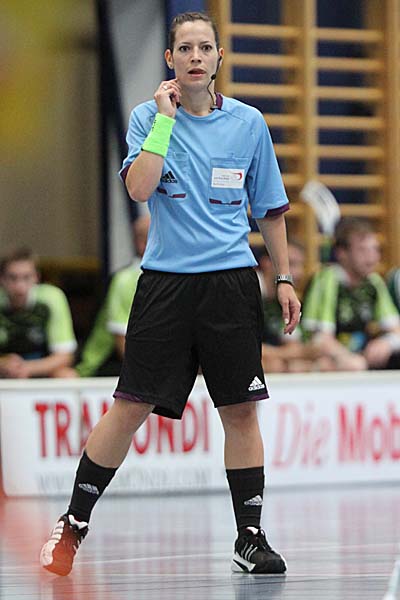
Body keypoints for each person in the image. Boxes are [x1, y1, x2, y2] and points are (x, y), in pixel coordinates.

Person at [40, 11, 301, 577]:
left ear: (219, 56)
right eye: (185, 48)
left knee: (240, 411)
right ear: (170, 59)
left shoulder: (249, 123)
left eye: (205, 47)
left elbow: (270, 210)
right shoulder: (146, 117)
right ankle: (73, 523)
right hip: (165, 284)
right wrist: (164, 121)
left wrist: (283, 277)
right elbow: (140, 188)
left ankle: (250, 536)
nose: (196, 57)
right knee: (130, 406)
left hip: (231, 284)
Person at [302, 217, 400, 370]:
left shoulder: (374, 282)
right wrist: (347, 357)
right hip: (320, 355)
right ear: (342, 253)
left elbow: (396, 329)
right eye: (362, 250)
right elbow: (320, 339)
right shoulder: (327, 279)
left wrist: (387, 343)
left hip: (358, 356)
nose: (372, 257)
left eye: (375, 249)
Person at [60, 215, 150, 378]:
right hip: (105, 367)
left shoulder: (179, 277)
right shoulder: (126, 280)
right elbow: (122, 341)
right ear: (142, 243)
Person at [0, 247, 77, 378]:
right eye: (13, 278)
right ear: (2, 279)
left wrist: (28, 368)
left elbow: (65, 356)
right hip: (4, 369)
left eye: (26, 277)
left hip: (41, 367)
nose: (19, 286)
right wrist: (2, 363)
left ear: (36, 277)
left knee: (67, 375)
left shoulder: (52, 299)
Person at [255, 241, 331, 372]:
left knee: (311, 365)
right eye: (291, 264)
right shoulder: (247, 292)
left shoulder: (286, 298)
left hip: (269, 355)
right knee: (273, 365)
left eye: (301, 265)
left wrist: (304, 352)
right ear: (266, 263)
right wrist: (294, 353)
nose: (298, 273)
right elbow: (239, 347)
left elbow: (294, 346)